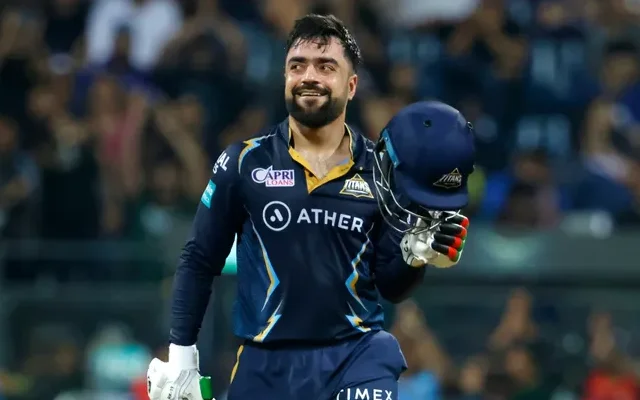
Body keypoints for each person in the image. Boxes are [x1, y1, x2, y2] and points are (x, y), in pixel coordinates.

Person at [146, 14, 475, 400]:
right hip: (264, 365)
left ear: (351, 86)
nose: (309, 76)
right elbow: (199, 260)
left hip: (357, 358)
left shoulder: (382, 170)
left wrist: (414, 256)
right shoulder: (243, 163)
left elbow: (391, 284)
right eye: (297, 65)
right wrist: (182, 358)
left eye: (325, 67)